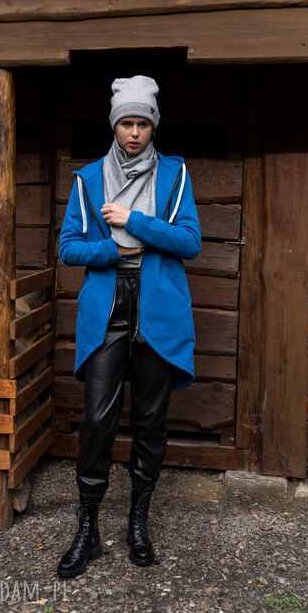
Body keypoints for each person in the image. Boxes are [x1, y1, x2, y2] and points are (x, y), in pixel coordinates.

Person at [56, 75, 201, 579]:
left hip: (158, 306)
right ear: (114, 126)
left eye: (142, 123)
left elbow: (190, 242)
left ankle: (139, 522)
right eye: (126, 123)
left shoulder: (175, 174)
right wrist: (113, 249)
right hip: (108, 307)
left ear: (153, 125)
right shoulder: (88, 179)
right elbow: (68, 247)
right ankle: (88, 528)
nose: (134, 132)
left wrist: (135, 221)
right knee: (98, 419)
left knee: (151, 420)